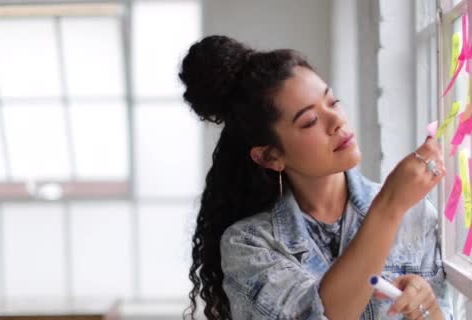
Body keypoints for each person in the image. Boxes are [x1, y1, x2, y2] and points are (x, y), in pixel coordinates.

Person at [179, 35, 452, 320]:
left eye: (333, 102)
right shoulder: (248, 245)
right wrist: (387, 208)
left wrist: (429, 309)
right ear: (271, 156)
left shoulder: (415, 215)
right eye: (310, 121)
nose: (337, 122)